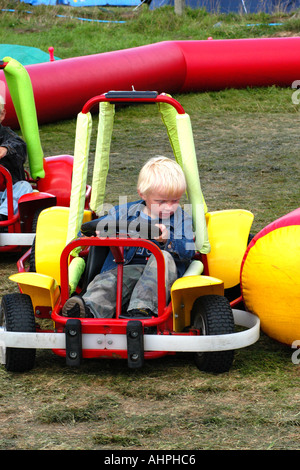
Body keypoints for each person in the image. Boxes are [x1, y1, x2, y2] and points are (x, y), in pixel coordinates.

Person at [62, 156, 195, 319]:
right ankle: (89, 309)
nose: (169, 207)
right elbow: (90, 229)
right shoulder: (123, 212)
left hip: (160, 279)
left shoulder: (182, 219)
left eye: (175, 200)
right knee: (110, 280)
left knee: (163, 256)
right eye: (161, 201)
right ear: (143, 194)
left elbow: (188, 251)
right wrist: (96, 233)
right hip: (125, 269)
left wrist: (168, 239)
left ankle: (142, 310)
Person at [0, 103, 32, 223]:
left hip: (8, 196)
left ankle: (2, 216)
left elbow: (19, 146)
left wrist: (5, 149)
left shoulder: (8, 136)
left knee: (24, 186)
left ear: (2, 115)